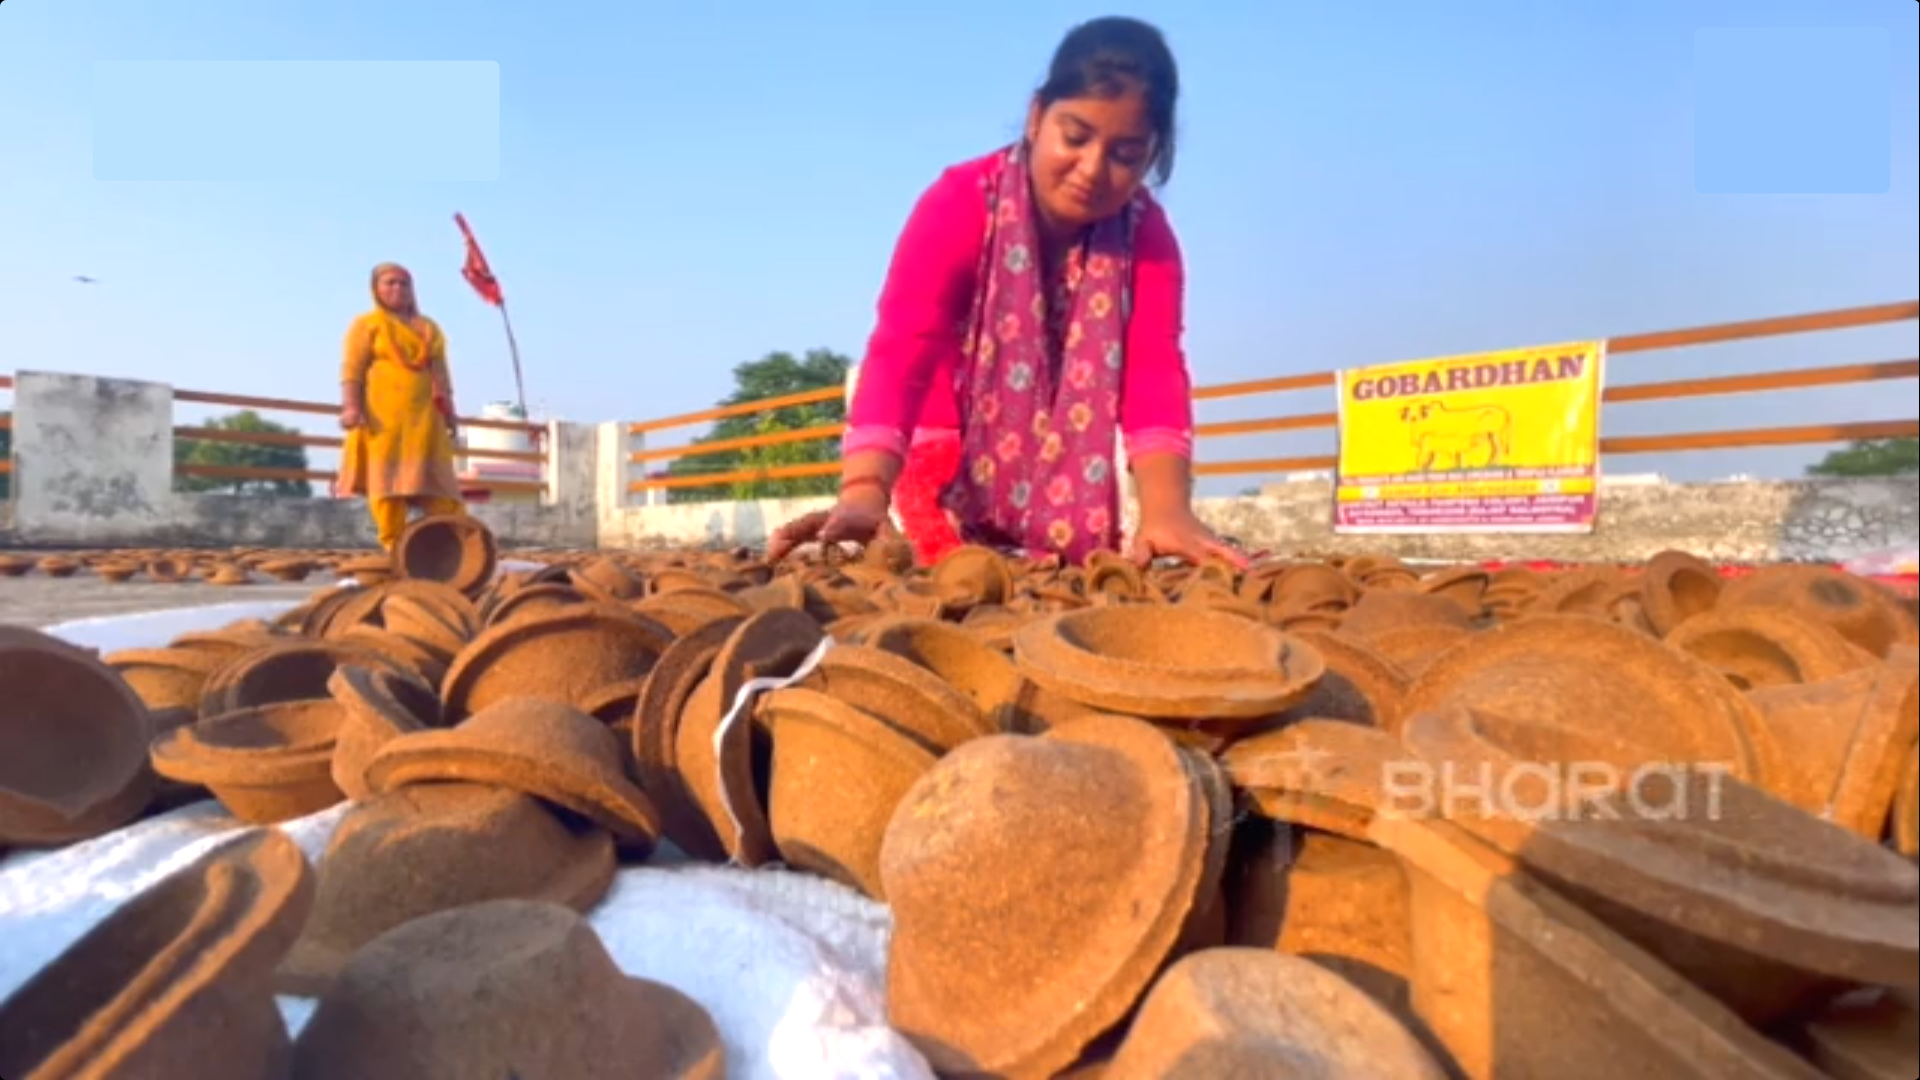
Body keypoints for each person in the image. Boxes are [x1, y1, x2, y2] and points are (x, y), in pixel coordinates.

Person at [768, 16, 1244, 569]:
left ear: (1152, 155)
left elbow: (1152, 372)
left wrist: (1166, 512)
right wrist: (864, 492)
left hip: (1069, 493)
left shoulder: (1146, 238)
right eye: (1075, 137)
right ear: (1036, 116)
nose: (1092, 169)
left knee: (1066, 600)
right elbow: (903, 350)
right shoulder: (960, 204)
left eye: (1126, 154)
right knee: (957, 593)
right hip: (945, 467)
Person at [336, 262, 468, 550]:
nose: (398, 288)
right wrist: (351, 407)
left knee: (441, 486)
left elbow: (441, 374)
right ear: (376, 289)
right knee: (388, 486)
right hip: (383, 419)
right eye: (390, 282)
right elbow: (352, 370)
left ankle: (459, 546)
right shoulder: (366, 324)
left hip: (426, 419)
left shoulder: (429, 328)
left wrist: (450, 412)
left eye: (404, 283)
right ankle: (395, 547)